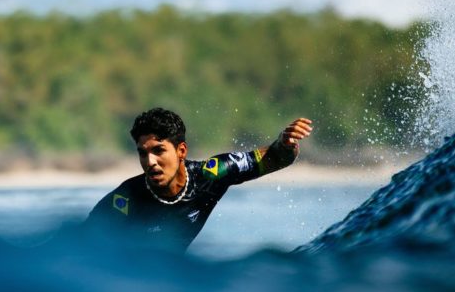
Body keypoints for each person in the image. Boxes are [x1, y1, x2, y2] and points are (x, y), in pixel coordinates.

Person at [84, 107, 312, 252]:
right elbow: (80, 247)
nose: (150, 161)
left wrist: (285, 143)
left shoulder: (211, 174)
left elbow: (275, 158)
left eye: (158, 151)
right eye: (143, 153)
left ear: (181, 151)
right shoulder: (125, 200)